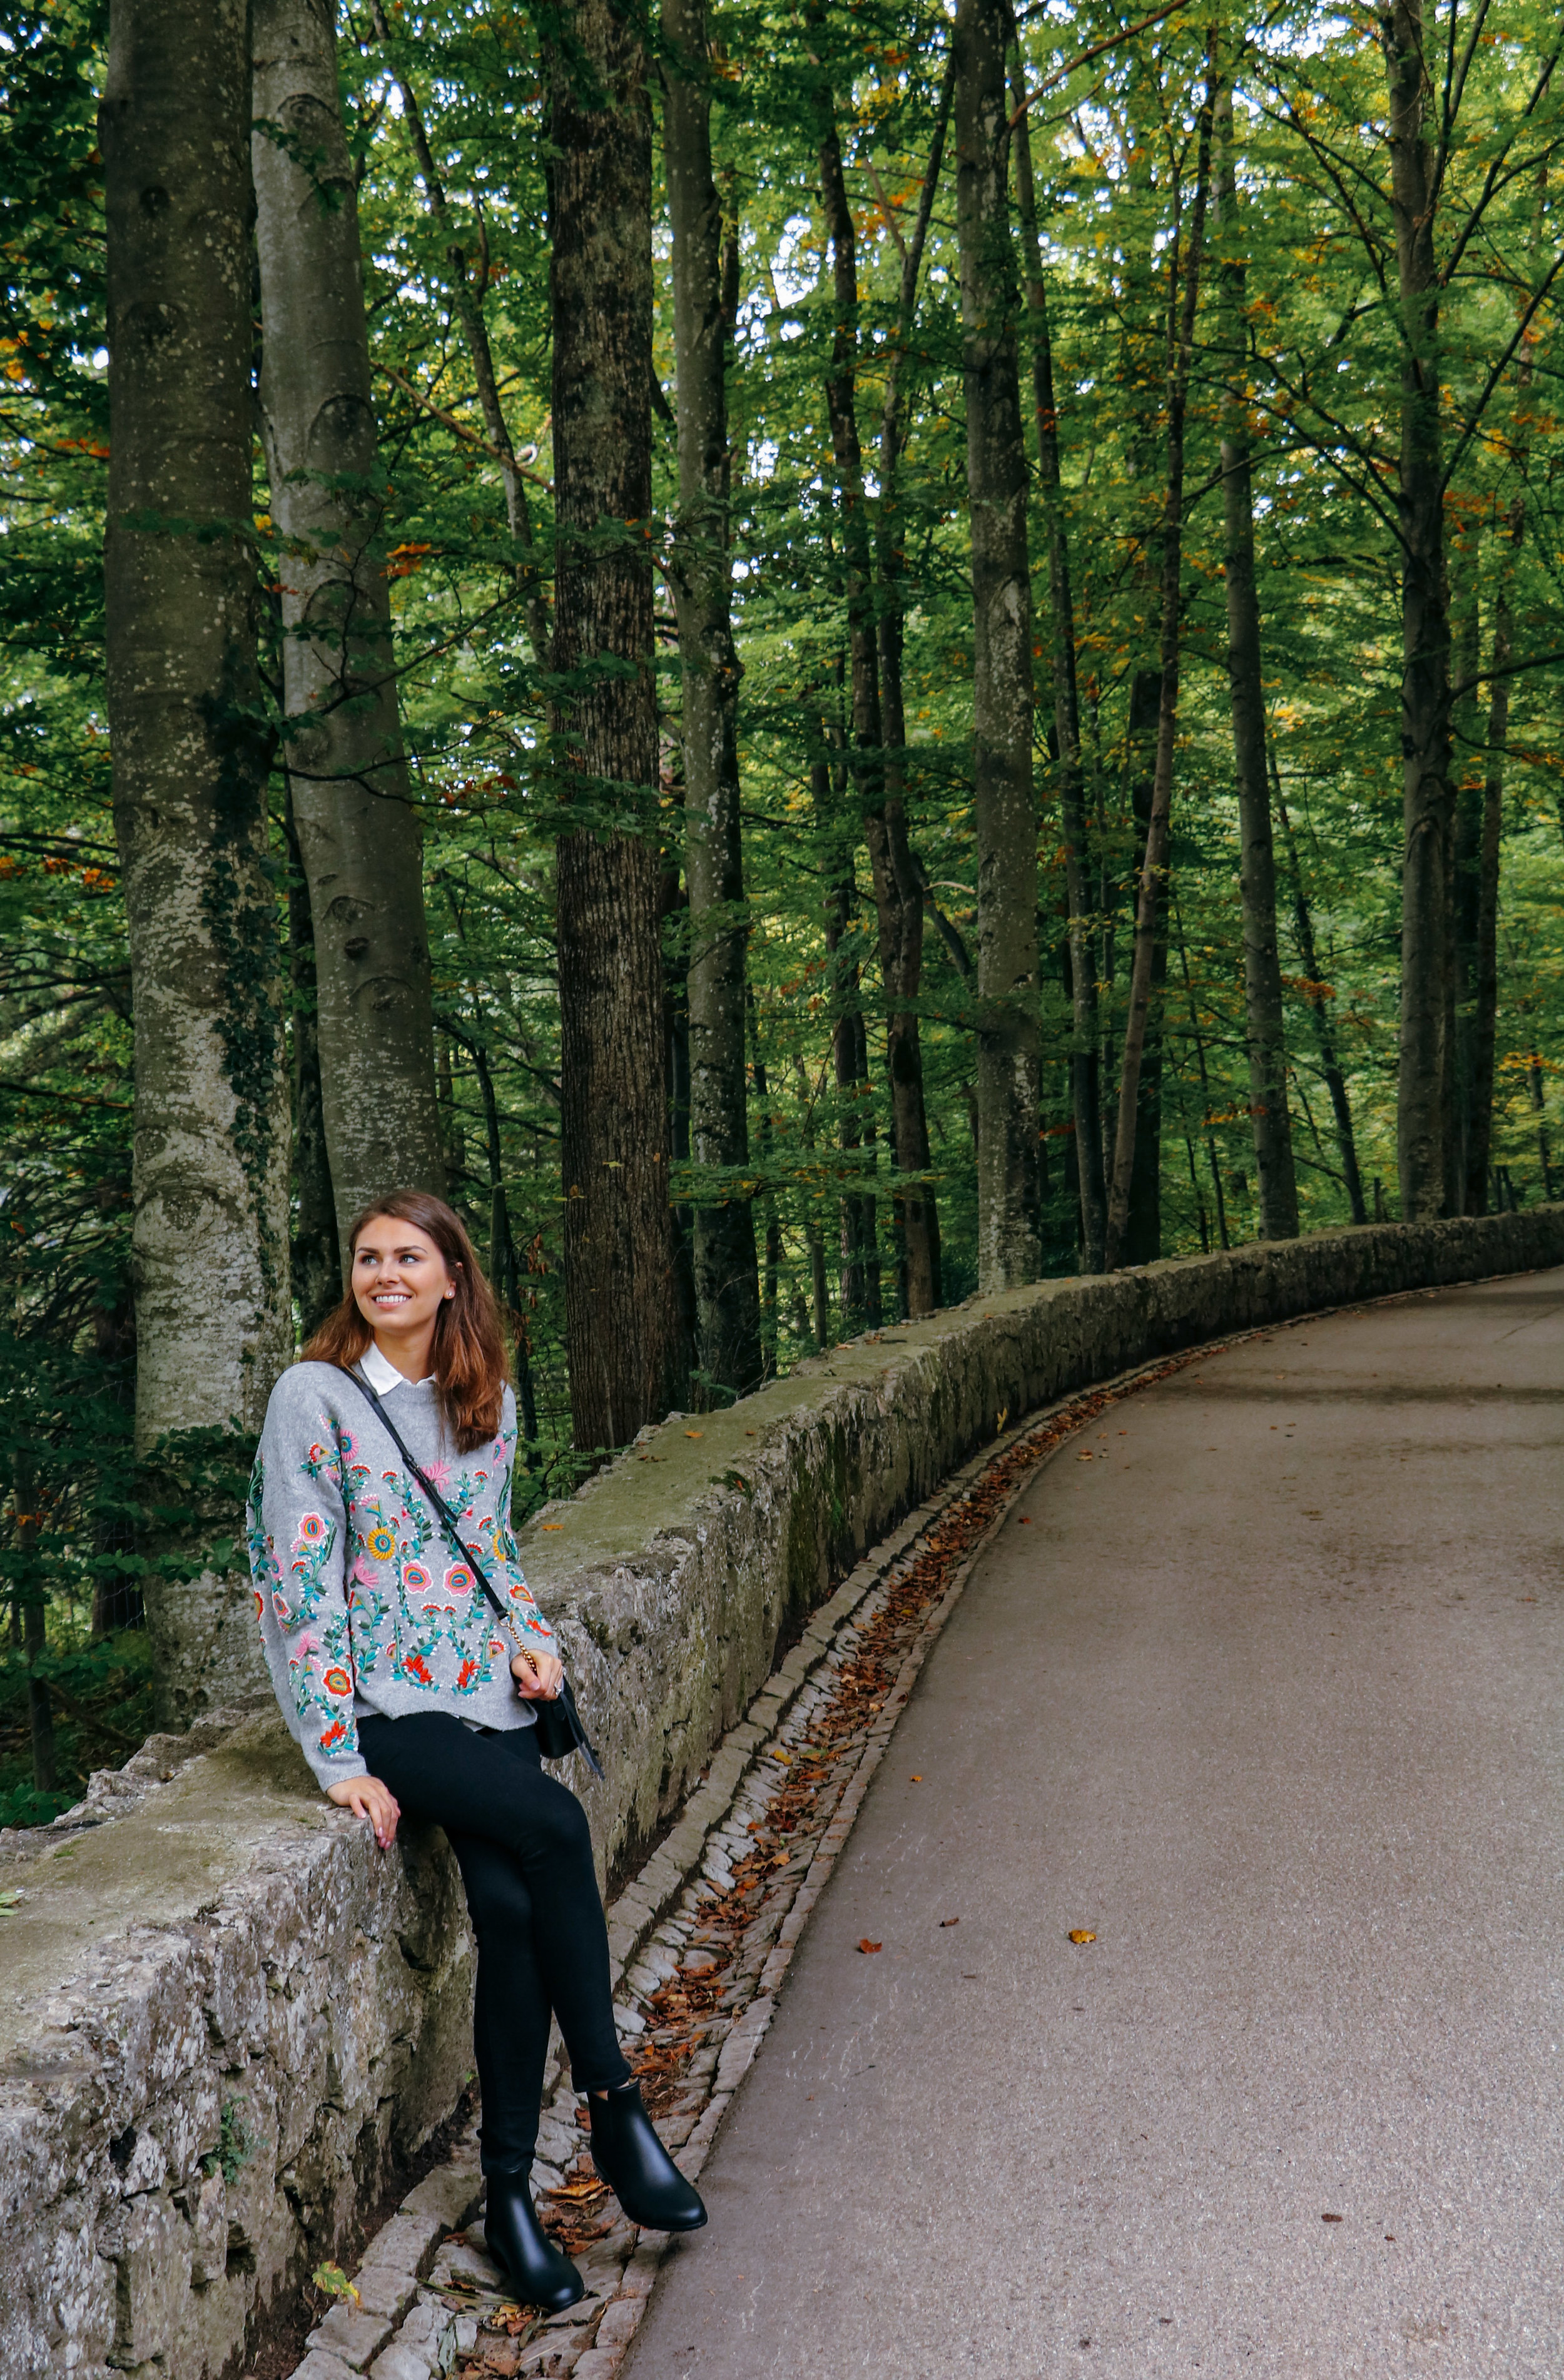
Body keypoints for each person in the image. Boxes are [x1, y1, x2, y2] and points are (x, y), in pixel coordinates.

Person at [246, 1189, 705, 2310]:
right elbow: (296, 1584)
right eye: (368, 1257)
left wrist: (533, 1643)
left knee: (509, 1913)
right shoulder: (315, 1397)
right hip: (391, 1710)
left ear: (453, 1275)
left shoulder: (478, 1393)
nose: (385, 1273)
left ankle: (508, 2198)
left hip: (486, 1701)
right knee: (555, 1824)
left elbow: (492, 1548)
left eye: (409, 1256)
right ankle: (611, 2103)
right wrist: (337, 1751)